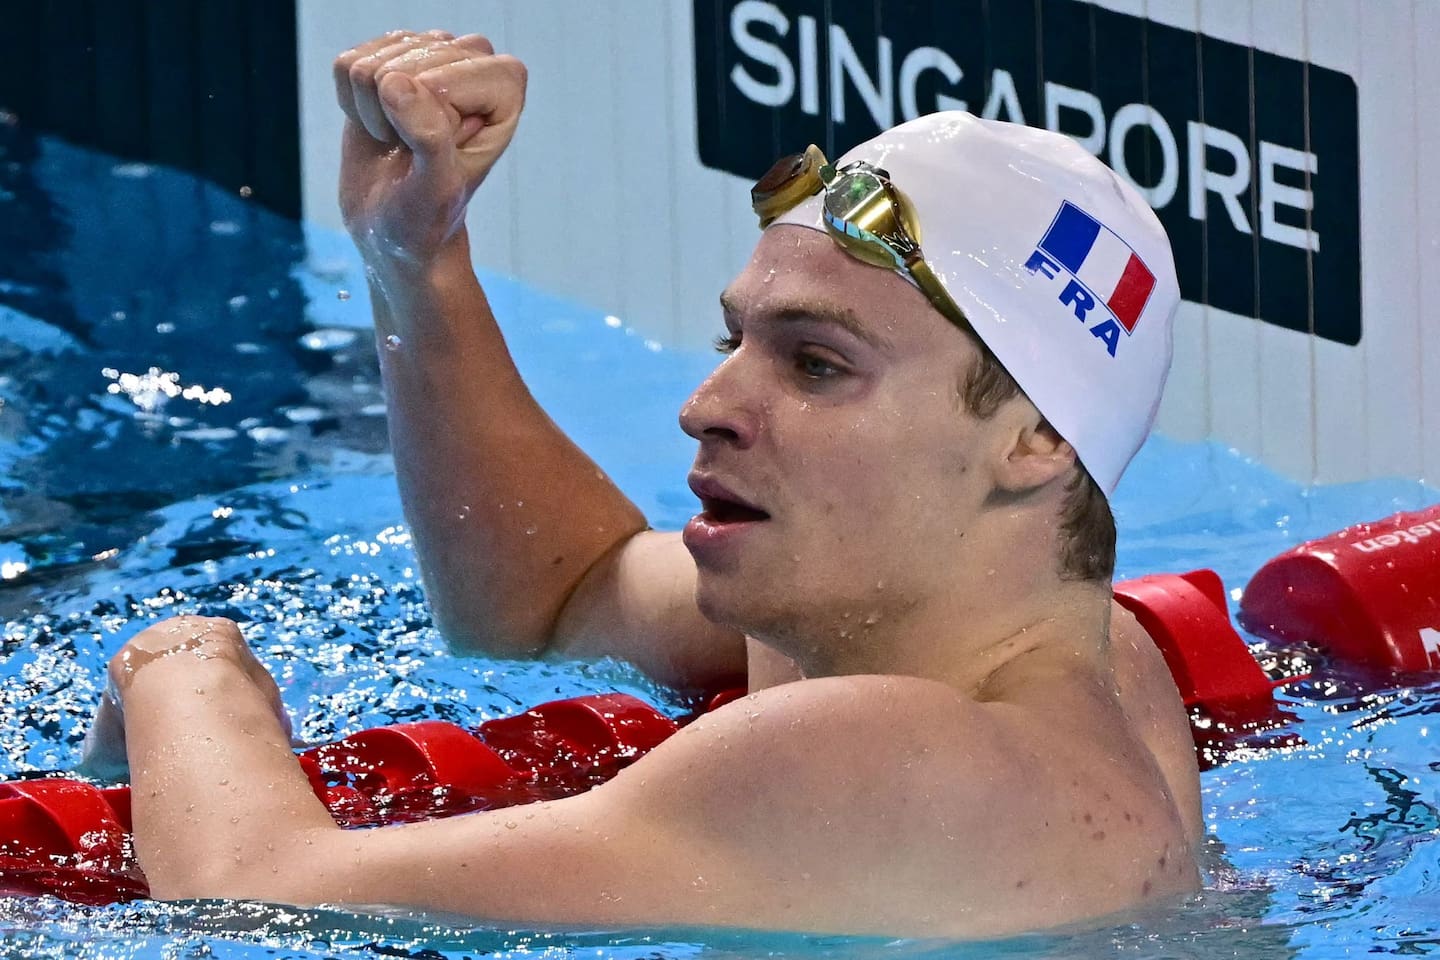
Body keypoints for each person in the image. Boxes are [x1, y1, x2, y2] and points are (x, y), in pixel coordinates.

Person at [81, 30, 1203, 937]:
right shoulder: (1068, 649)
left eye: (817, 365)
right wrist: (416, 260)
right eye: (737, 340)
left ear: (1034, 441)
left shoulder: (897, 760)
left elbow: (255, 893)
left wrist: (182, 665)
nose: (707, 402)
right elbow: (556, 600)